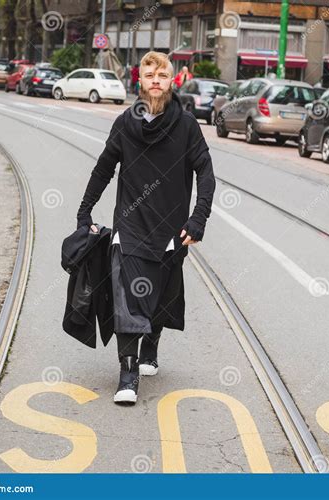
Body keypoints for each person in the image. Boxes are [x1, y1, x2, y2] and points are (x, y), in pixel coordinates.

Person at [76, 51, 216, 405]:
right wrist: (84, 210)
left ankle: (151, 342)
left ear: (172, 81)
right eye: (150, 74)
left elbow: (206, 173)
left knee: (159, 296)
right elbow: (104, 168)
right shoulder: (125, 123)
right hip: (131, 226)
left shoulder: (186, 126)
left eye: (163, 74)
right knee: (129, 298)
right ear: (140, 80)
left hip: (171, 230)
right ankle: (128, 372)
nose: (156, 79)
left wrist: (198, 218)